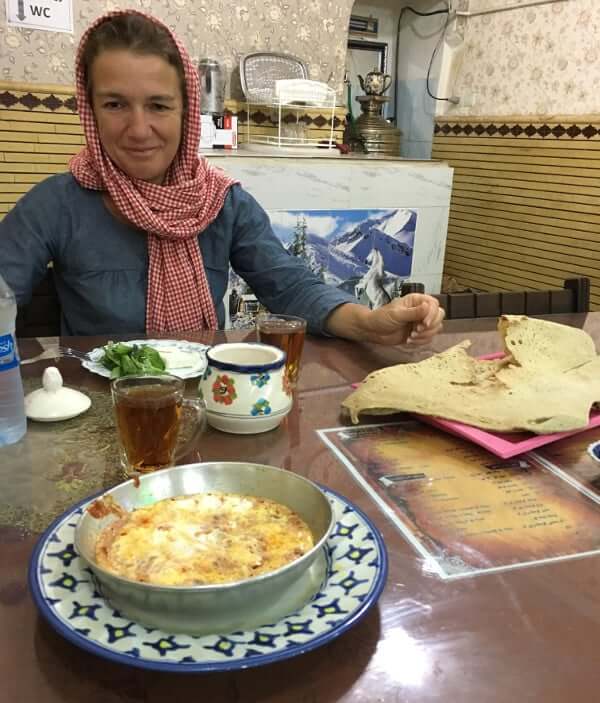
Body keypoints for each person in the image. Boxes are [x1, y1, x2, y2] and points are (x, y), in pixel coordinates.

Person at [0, 10, 444, 346]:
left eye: (158, 105)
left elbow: (289, 286)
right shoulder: (57, 203)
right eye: (115, 104)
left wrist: (369, 323)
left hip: (205, 404)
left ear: (187, 111)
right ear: (90, 110)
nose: (138, 129)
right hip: (92, 416)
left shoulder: (222, 203)